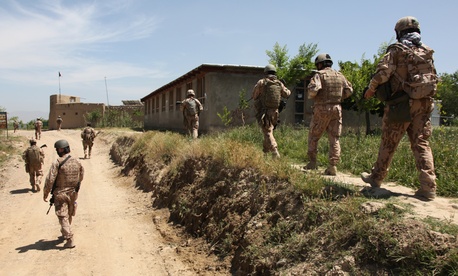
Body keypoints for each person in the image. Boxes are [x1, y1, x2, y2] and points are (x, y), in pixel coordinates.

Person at [361, 16, 438, 201]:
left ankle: (376, 178)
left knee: (389, 142)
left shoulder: (397, 50)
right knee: (421, 143)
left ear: (399, 32)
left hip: (401, 105)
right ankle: (428, 187)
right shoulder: (426, 51)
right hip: (424, 104)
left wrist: (371, 90)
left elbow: (383, 73)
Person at [304, 54, 353, 175]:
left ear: (320, 64)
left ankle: (312, 162)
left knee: (314, 136)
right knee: (334, 138)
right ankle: (333, 166)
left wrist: (312, 95)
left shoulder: (319, 75)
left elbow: (313, 90)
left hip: (322, 108)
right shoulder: (340, 76)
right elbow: (349, 90)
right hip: (337, 108)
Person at [43, 139, 84, 248]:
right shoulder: (77, 161)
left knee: (62, 215)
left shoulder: (57, 162)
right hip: (73, 192)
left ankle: (69, 238)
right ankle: (65, 231)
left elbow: (50, 179)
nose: (57, 150)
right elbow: (81, 176)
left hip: (61, 193)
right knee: (69, 213)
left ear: (62, 149)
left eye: (58, 149)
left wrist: (46, 193)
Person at [252, 64, 291, 158]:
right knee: (267, 131)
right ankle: (265, 153)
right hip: (275, 112)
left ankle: (275, 151)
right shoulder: (279, 83)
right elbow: (287, 93)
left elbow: (254, 96)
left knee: (268, 132)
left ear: (265, 73)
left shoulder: (262, 82)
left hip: (265, 112)